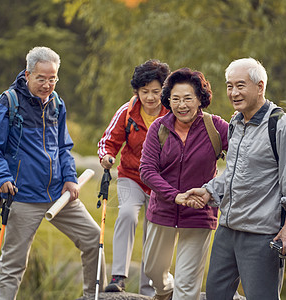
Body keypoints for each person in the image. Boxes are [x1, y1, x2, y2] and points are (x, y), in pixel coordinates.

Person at [0, 46, 106, 299]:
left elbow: (63, 147)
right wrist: (3, 177)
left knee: (93, 237)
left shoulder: (57, 103)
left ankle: (96, 296)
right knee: (13, 263)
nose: (47, 84)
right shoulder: (9, 102)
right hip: (23, 196)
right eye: (41, 78)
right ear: (27, 74)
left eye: (52, 78)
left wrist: (70, 178)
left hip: (58, 194)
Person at [183, 58, 286, 300]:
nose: (233, 92)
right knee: (216, 295)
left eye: (240, 85)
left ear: (260, 87)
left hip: (261, 234)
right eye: (229, 86)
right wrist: (209, 191)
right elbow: (234, 171)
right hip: (227, 229)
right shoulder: (236, 122)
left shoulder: (283, 126)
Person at [139, 68, 229, 300]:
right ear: (168, 100)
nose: (182, 105)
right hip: (163, 210)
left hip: (200, 212)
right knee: (153, 270)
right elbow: (147, 170)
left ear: (200, 98)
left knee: (188, 285)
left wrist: (215, 189)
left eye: (188, 98)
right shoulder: (159, 128)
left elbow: (243, 158)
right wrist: (175, 195)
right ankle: (165, 289)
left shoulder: (216, 127)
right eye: (175, 99)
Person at [97, 59, 170, 295]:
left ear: (164, 91)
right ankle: (118, 276)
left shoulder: (173, 113)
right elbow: (109, 141)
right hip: (131, 177)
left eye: (156, 92)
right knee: (128, 214)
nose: (150, 97)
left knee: (155, 228)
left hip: (161, 182)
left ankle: (149, 288)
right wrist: (107, 156)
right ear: (136, 91)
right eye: (145, 91)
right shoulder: (127, 112)